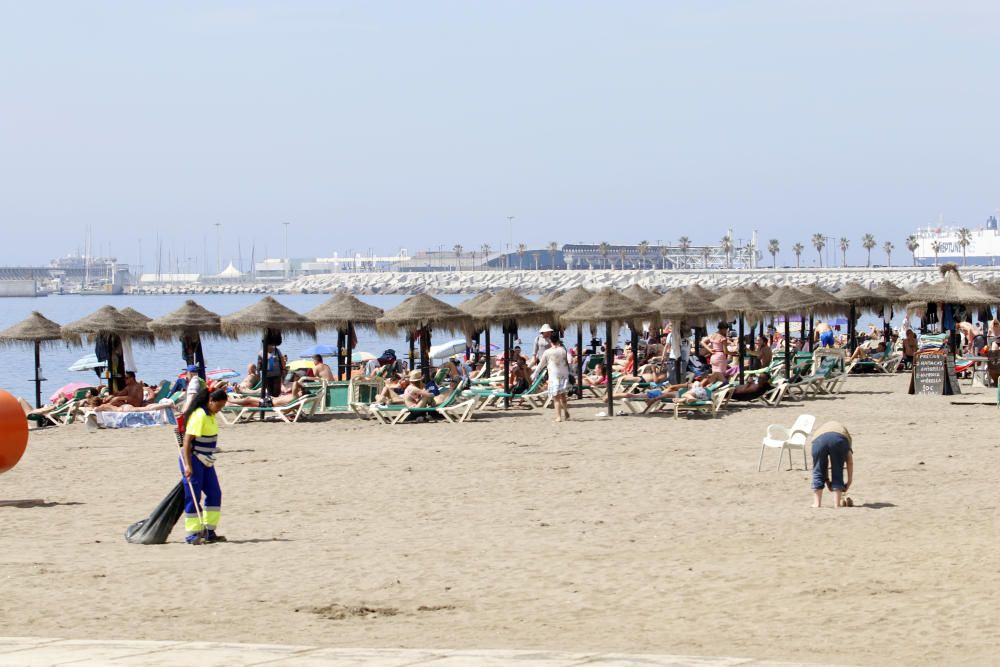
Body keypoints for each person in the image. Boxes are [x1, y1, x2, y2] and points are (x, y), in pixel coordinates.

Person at [180, 387, 228, 544]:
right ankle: (193, 534)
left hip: (207, 460)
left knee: (215, 493)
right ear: (211, 401)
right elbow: (187, 442)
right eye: (219, 406)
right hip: (193, 460)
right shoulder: (199, 416)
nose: (219, 410)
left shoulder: (211, 415)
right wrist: (188, 465)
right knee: (193, 496)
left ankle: (209, 531)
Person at [810, 421, 854, 508]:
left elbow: (824, 464)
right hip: (838, 440)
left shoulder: (821, 429)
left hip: (818, 440)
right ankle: (837, 504)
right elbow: (850, 462)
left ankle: (817, 503)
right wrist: (849, 481)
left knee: (818, 470)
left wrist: (827, 480)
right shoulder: (846, 437)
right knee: (837, 469)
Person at [534, 335, 571, 422]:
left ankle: (558, 417)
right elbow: (569, 360)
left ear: (551, 341)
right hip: (564, 374)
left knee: (556, 398)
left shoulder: (548, 352)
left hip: (554, 375)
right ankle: (565, 411)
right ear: (558, 341)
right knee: (563, 395)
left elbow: (541, 364)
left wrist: (536, 372)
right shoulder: (563, 350)